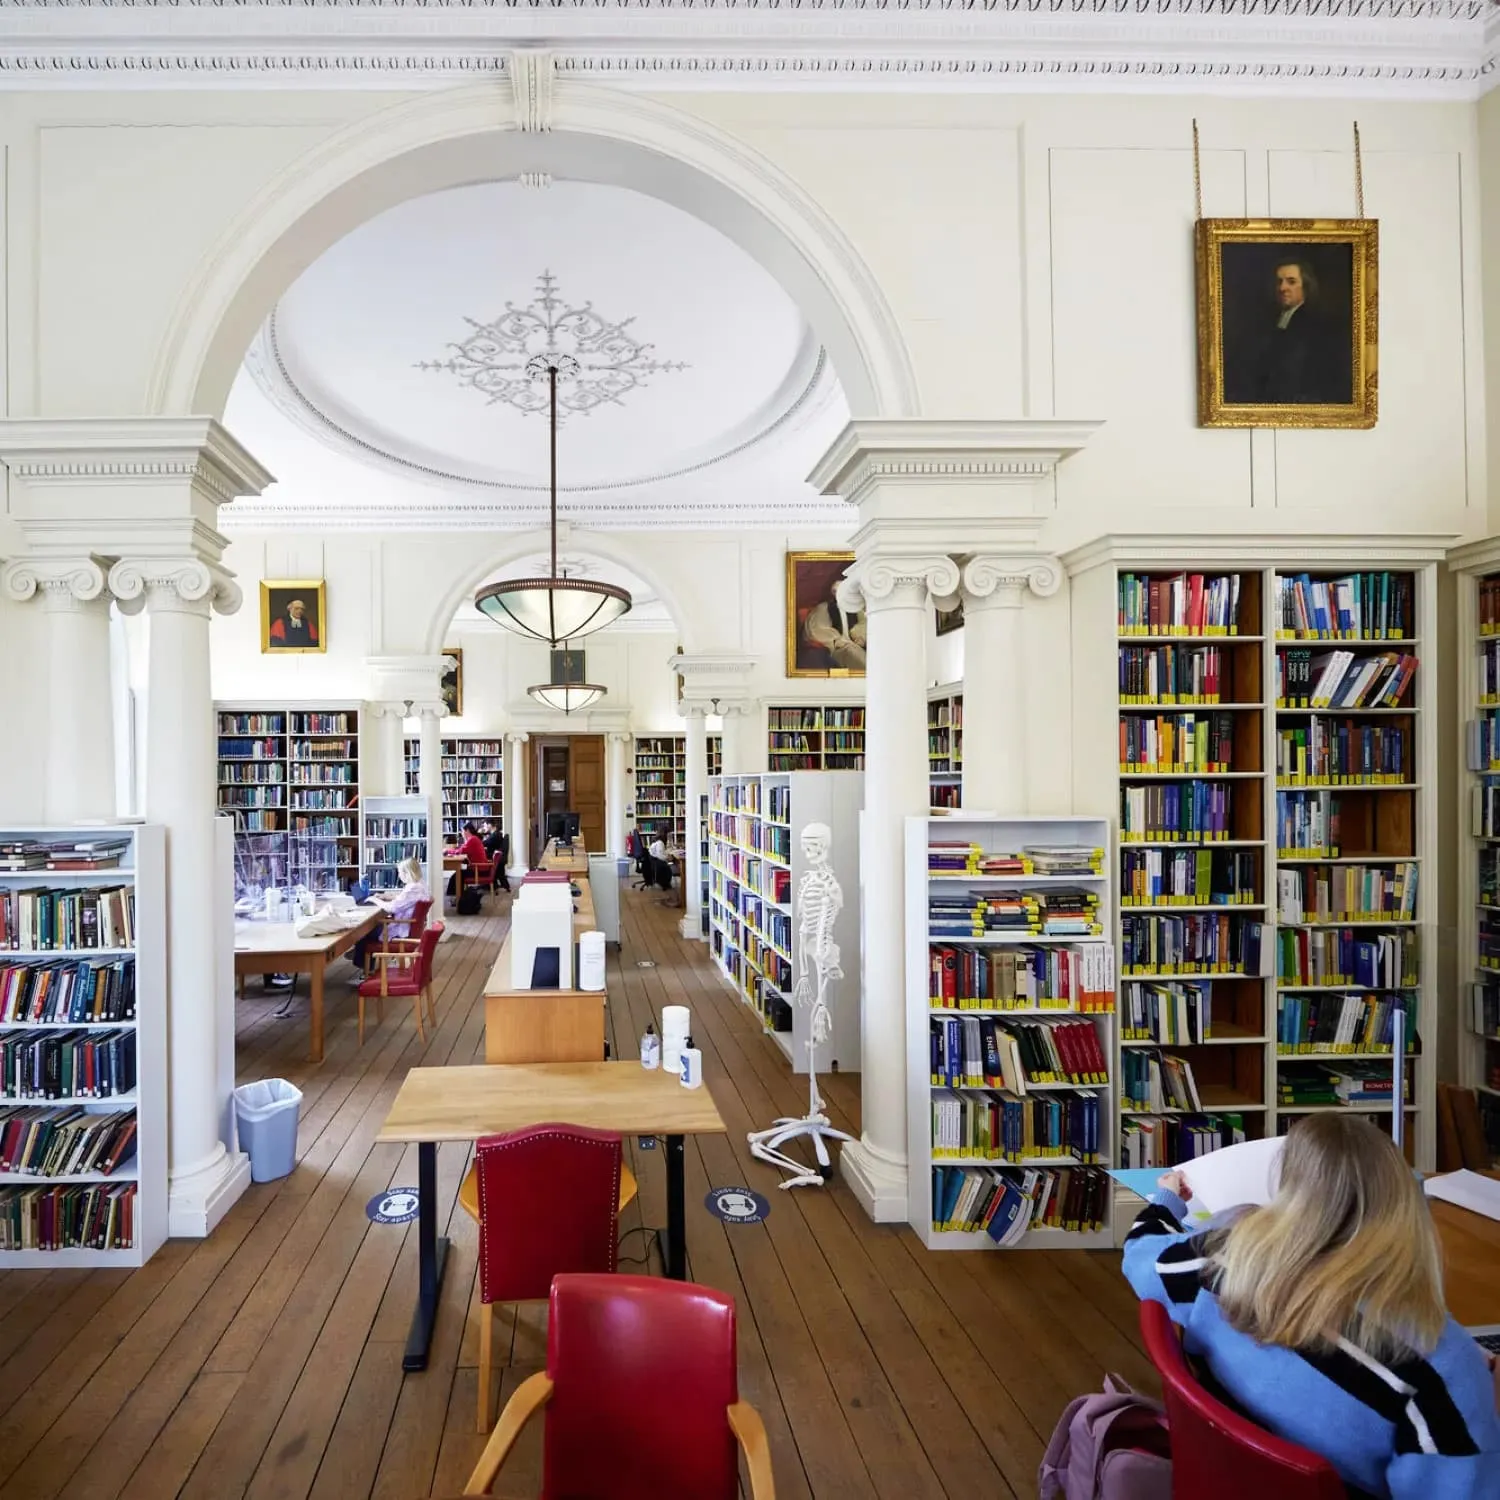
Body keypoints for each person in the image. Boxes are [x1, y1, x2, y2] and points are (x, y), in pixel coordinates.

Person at [1123, 1114, 1500, 1499]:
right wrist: (1462, 1367)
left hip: (1219, 1482)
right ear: (1405, 1202)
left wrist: (1168, 1201)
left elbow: (1139, 1256)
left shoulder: (1222, 1260)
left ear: (1290, 1194)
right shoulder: (1440, 1371)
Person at [1233, 256, 1351, 406]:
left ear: (1306, 286)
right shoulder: (1267, 320)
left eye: (1291, 282)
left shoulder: (1317, 324)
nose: (1282, 288)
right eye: (1279, 282)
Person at [349, 855, 430, 974]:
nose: (399, 876)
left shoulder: (412, 889)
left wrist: (373, 899)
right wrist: (386, 896)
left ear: (407, 873)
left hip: (401, 930)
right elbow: (404, 900)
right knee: (371, 930)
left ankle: (362, 962)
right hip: (408, 927)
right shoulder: (420, 885)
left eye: (400, 873)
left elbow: (392, 908)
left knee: (364, 931)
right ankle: (359, 955)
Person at [803, 580, 866, 671]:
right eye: (837, 592)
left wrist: (861, 637)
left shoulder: (856, 609)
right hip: (838, 650)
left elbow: (864, 624)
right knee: (851, 651)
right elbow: (817, 629)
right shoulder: (824, 608)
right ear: (833, 593)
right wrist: (836, 640)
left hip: (857, 645)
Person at [480, 820, 510, 892]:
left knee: (481, 861)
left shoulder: (496, 835)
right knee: (500, 874)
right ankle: (493, 885)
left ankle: (489, 884)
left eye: (485, 825)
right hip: (497, 857)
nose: (484, 827)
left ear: (490, 825)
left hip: (495, 857)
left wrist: (479, 838)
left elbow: (485, 843)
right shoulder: (496, 834)